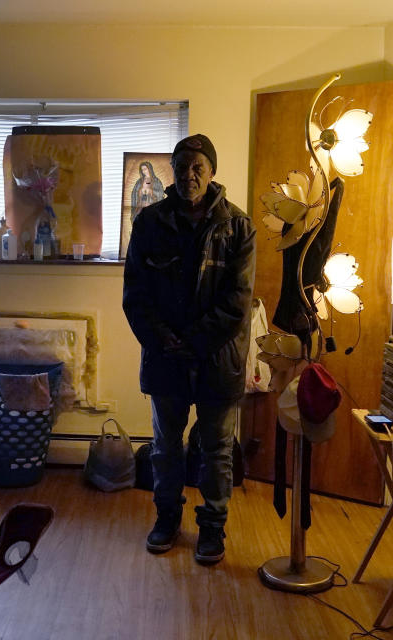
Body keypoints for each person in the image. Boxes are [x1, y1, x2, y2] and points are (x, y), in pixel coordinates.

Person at [123, 134, 256, 565]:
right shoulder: (148, 224)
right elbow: (135, 296)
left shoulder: (240, 226)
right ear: (170, 171)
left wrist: (194, 339)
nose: (189, 174)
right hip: (165, 358)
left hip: (219, 360)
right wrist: (164, 338)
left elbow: (238, 300)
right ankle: (166, 520)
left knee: (217, 449)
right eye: (181, 166)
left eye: (198, 166)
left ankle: (212, 529)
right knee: (166, 446)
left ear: (212, 171)